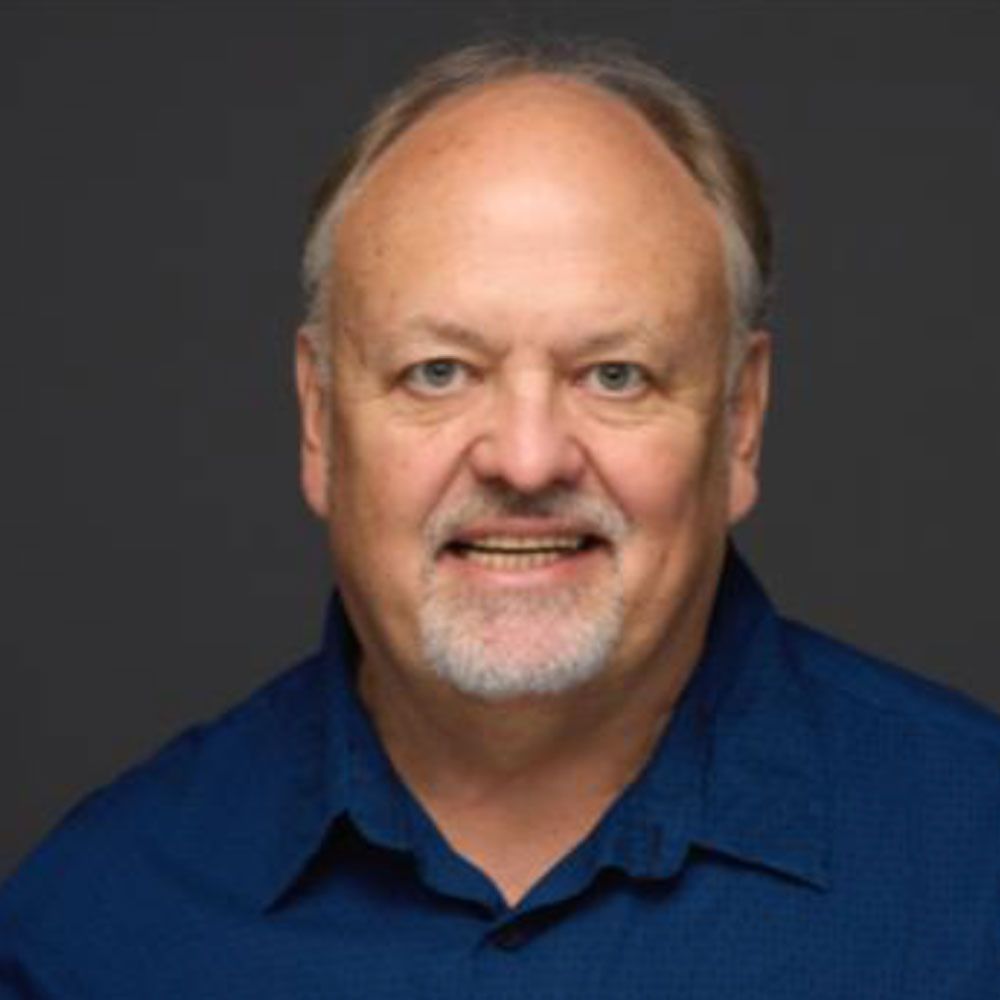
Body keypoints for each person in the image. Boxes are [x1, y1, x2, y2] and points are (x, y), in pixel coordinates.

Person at [2, 37, 998, 998]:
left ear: (740, 419)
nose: (527, 460)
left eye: (615, 374)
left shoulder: (975, 877)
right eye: (439, 373)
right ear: (318, 419)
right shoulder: (97, 925)